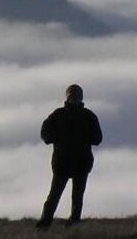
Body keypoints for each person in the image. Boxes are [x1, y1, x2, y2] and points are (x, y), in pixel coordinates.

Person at [36, 83, 102, 229]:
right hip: (72, 162)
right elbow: (97, 139)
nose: (75, 99)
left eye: (76, 96)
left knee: (65, 195)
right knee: (64, 195)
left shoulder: (60, 115)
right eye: (74, 96)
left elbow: (97, 138)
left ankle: (55, 223)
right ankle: (58, 223)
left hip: (71, 162)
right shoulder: (86, 116)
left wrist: (58, 138)